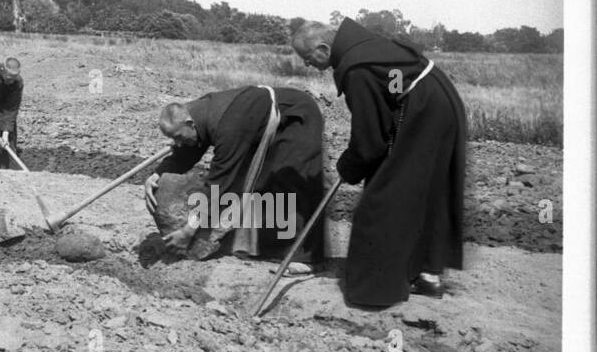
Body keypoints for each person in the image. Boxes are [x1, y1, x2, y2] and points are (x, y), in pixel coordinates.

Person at [291, 18, 466, 307]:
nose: (308, 65)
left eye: (307, 58)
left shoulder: (356, 68)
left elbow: (370, 137)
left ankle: (375, 290)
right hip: (438, 102)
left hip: (424, 110)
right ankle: (427, 275)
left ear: (323, 48)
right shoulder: (361, 48)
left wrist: (350, 165)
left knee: (383, 198)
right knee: (425, 191)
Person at [144, 86, 328, 266]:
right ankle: (274, 247)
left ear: (190, 124)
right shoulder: (193, 116)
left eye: (177, 137)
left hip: (296, 117)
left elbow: (221, 182)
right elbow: (185, 153)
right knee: (264, 186)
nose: (177, 143)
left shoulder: (227, 127)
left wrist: (188, 230)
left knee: (294, 182)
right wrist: (157, 174)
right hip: (258, 123)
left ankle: (306, 259)